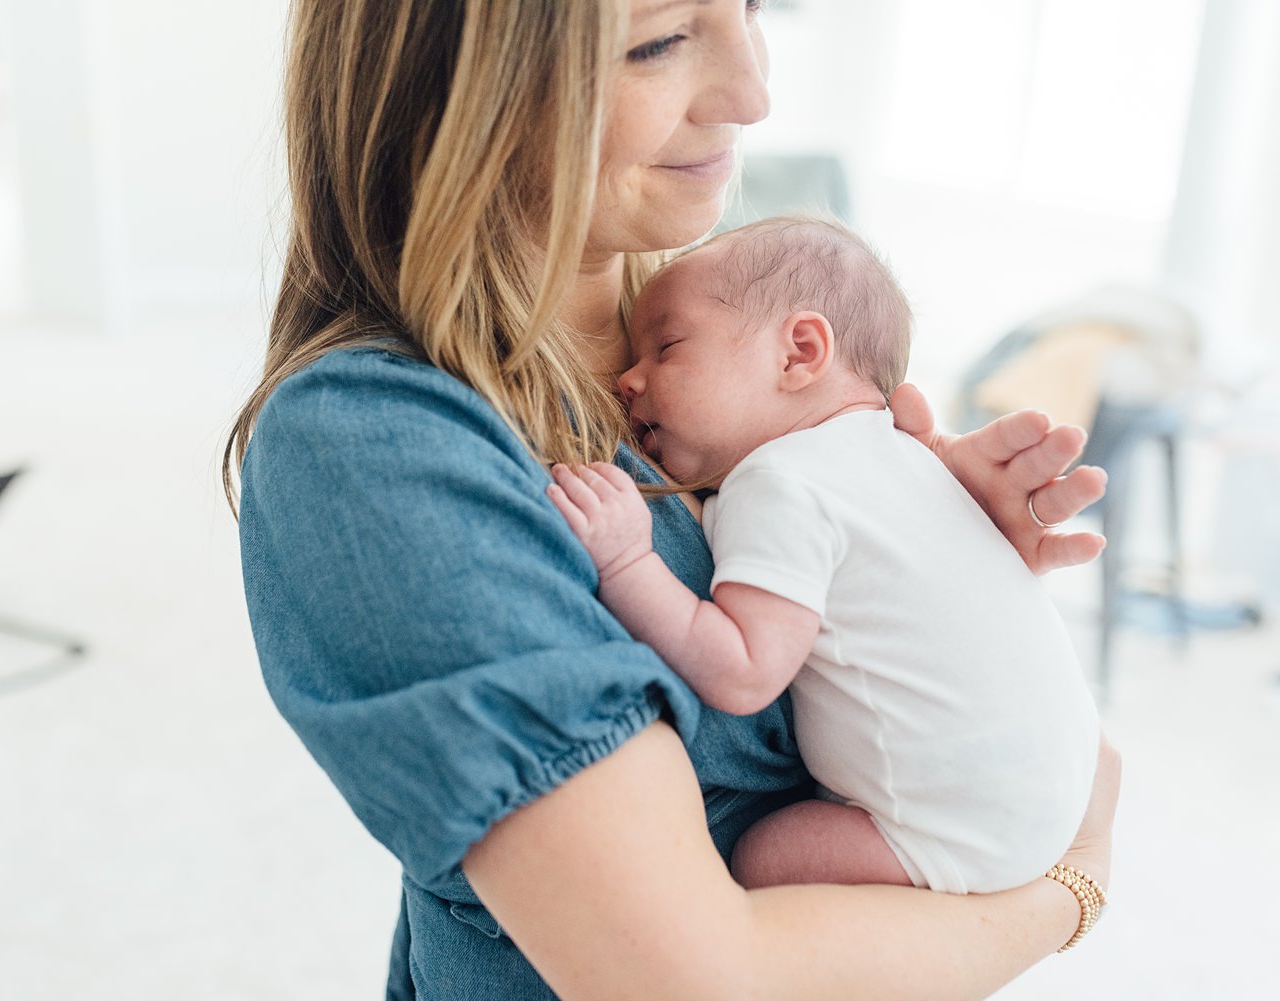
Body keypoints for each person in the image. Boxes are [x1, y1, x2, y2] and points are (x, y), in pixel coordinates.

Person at [224, 2, 1121, 998]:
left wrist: (937, 566)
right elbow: (696, 979)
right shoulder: (375, 444)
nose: (753, 94)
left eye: (745, 10)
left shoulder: (722, 353)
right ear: (463, 90)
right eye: (656, 43)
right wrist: (1072, 879)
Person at [546, 214, 1102, 896]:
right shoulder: (907, 456)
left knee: (764, 855)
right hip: (1058, 784)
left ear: (799, 352)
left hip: (966, 829)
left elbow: (745, 671)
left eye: (666, 346)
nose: (628, 379)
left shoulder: (782, 479)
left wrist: (628, 560)